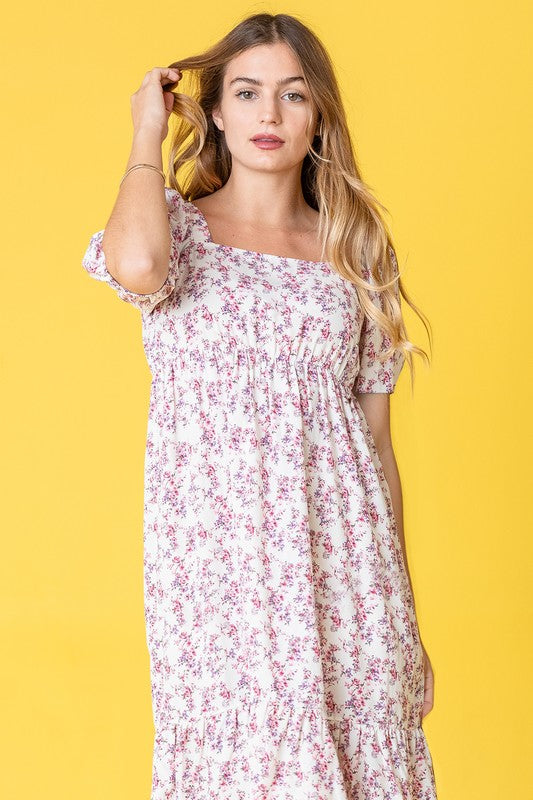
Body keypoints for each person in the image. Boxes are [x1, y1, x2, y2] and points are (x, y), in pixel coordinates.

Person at [82, 12, 437, 800]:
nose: (269, 116)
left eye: (291, 95)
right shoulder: (175, 233)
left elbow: (376, 448)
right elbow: (135, 266)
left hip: (349, 580)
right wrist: (146, 129)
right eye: (245, 94)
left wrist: (403, 616)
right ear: (213, 111)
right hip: (220, 581)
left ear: (318, 114)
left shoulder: (355, 248)